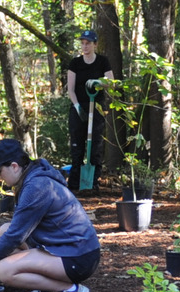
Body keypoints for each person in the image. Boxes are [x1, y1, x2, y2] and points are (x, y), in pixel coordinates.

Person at [0, 139, 101, 292]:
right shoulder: (33, 177)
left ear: (14, 166)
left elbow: (15, 236)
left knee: (4, 271)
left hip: (79, 258)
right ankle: (48, 287)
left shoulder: (36, 186)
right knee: (4, 229)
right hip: (67, 248)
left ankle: (69, 290)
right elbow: (14, 232)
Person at [63, 30, 114, 191]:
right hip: (79, 107)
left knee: (96, 144)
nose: (85, 46)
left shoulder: (102, 62)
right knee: (77, 144)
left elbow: (111, 82)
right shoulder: (75, 63)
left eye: (88, 43)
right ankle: (75, 182)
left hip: (96, 107)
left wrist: (98, 81)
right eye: (83, 43)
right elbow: (70, 89)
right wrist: (77, 106)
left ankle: (93, 182)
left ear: (95, 44)